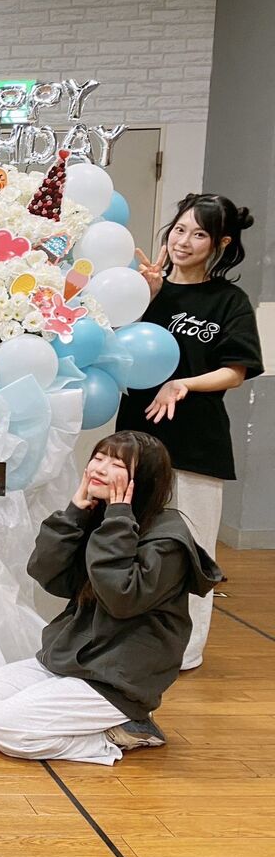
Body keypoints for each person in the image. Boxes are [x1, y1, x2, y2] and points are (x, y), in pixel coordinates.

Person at [0, 431, 222, 764]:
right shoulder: (100, 515)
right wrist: (74, 513)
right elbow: (48, 574)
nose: (99, 468)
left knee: (4, 728)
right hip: (76, 659)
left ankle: (119, 734)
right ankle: (85, 715)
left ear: (142, 479)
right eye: (98, 458)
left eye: (116, 465)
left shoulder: (168, 540)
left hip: (119, 678)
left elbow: (121, 598)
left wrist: (118, 519)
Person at [116, 194, 262, 670]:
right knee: (129, 538)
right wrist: (146, 296)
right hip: (137, 435)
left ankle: (186, 648)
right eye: (180, 229)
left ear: (220, 244)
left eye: (199, 234)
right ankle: (126, 636)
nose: (184, 241)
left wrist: (183, 384)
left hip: (197, 440)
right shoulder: (143, 291)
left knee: (193, 546)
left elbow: (236, 370)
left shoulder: (228, 300)